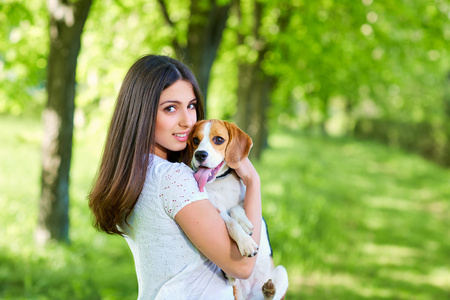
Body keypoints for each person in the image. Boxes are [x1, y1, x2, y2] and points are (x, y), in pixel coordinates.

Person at [88, 54, 262, 300]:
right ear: (142, 113)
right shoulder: (173, 179)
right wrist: (253, 182)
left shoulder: (136, 174)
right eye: (170, 108)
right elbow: (243, 266)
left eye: (191, 105)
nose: (187, 121)